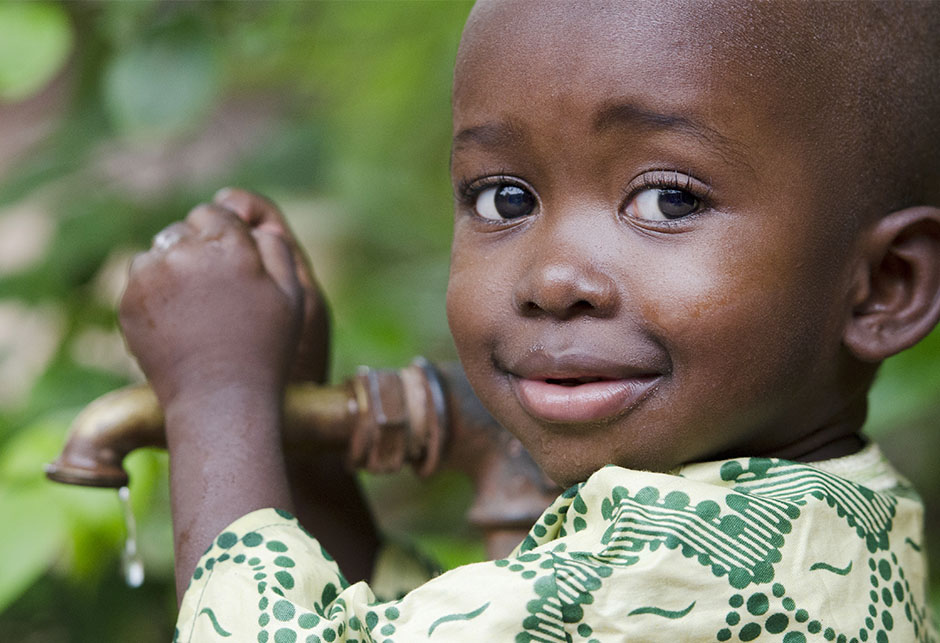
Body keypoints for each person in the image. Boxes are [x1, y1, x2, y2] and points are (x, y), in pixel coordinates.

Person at [118, 1, 940, 641]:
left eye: (667, 199)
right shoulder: (821, 522)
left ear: (885, 285)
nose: (553, 279)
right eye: (504, 198)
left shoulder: (683, 562)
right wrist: (306, 464)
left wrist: (217, 398)